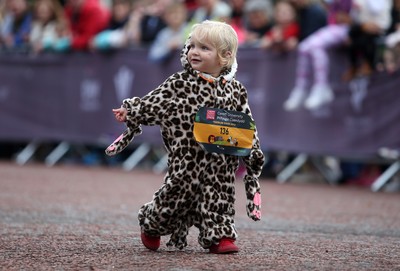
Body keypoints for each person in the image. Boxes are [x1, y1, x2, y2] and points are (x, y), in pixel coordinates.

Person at [106, 20, 265, 254]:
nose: (195, 52)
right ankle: (152, 224)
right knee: (175, 194)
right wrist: (133, 110)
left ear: (225, 56)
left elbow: (246, 122)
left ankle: (219, 235)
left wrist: (253, 150)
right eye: (193, 46)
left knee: (220, 195)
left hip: (221, 161)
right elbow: (156, 101)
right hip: (187, 157)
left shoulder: (236, 90)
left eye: (204, 48)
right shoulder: (180, 82)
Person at [283, 0, 352, 111]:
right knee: (303, 47)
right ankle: (301, 88)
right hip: (331, 28)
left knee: (315, 46)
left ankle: (322, 86)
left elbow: (350, 16)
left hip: (343, 29)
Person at [344, 0, 392, 80]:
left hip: (378, 30)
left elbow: (386, 21)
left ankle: (368, 64)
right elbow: (355, 18)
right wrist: (364, 26)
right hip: (362, 27)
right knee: (353, 35)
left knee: (366, 38)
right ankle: (354, 67)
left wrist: (376, 27)